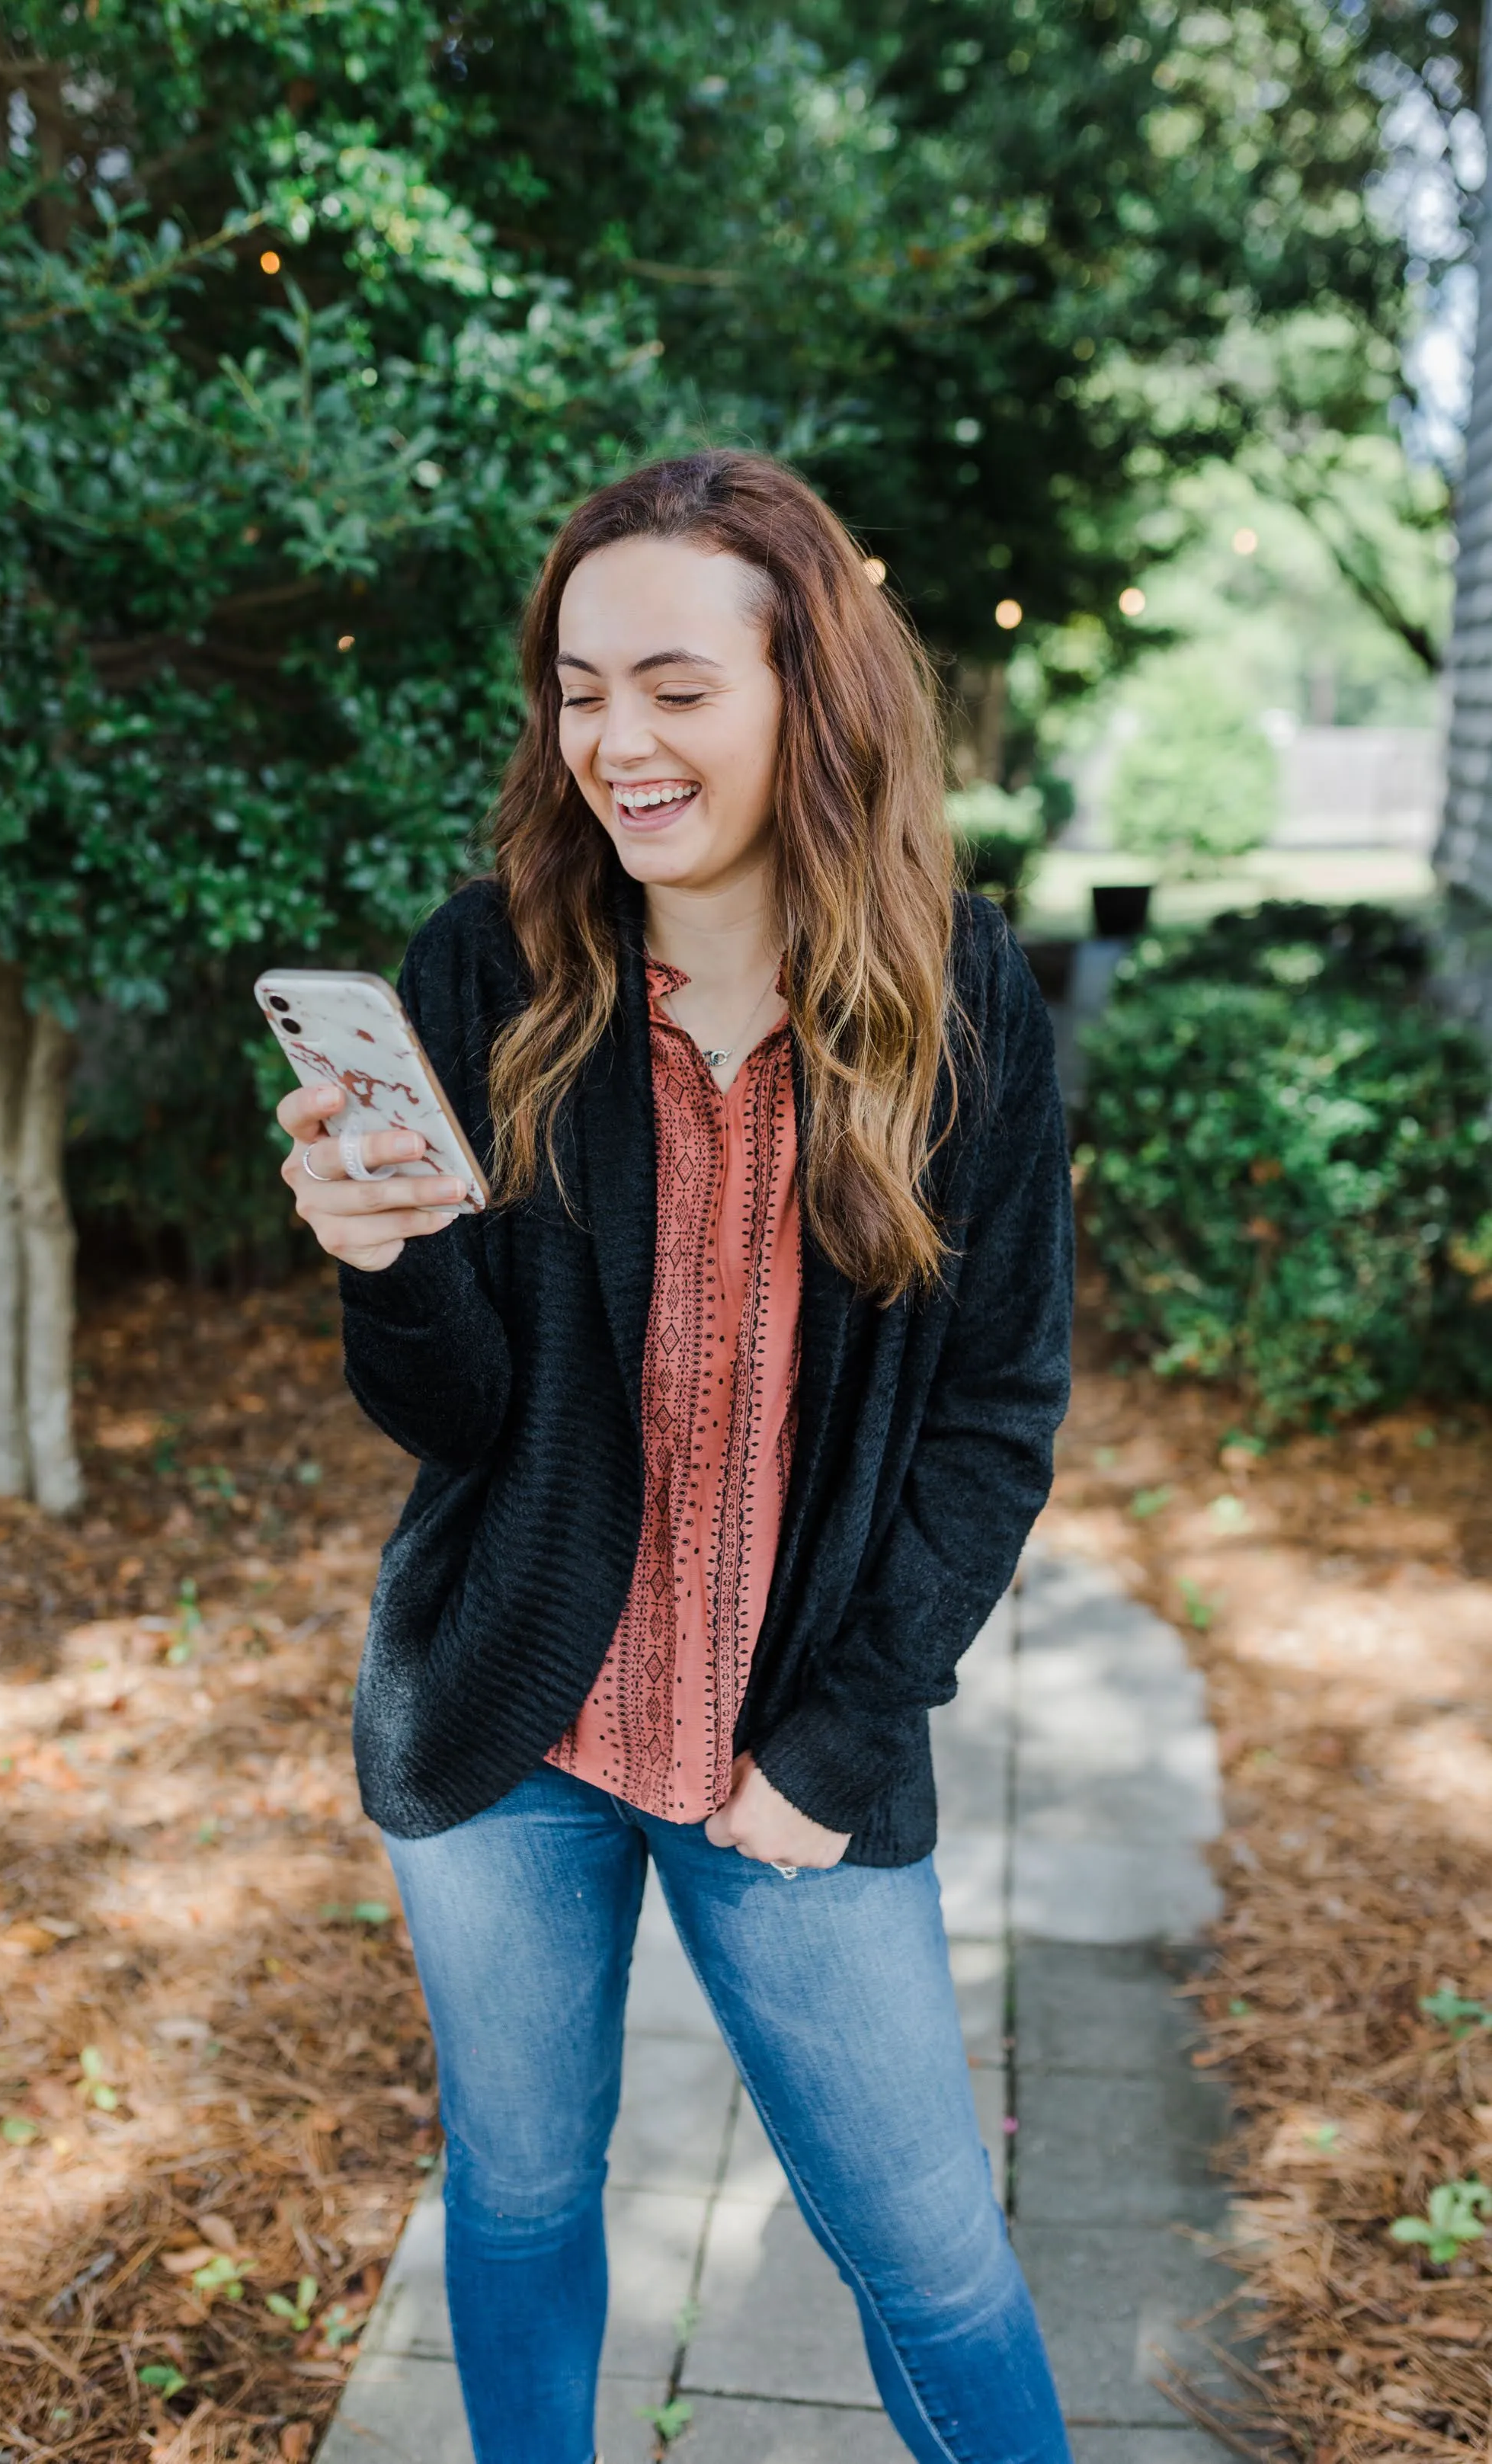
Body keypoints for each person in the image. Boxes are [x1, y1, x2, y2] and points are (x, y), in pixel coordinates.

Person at [279, 450, 1075, 2464]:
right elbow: (453, 1418)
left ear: (806, 693)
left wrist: (838, 1737)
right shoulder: (490, 971)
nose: (613, 741)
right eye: (575, 688)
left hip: (784, 1760)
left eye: (672, 687)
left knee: (930, 2256)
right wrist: (383, 1261)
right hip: (504, 1737)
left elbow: (993, 1417)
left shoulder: (959, 1003)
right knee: (522, 2196)